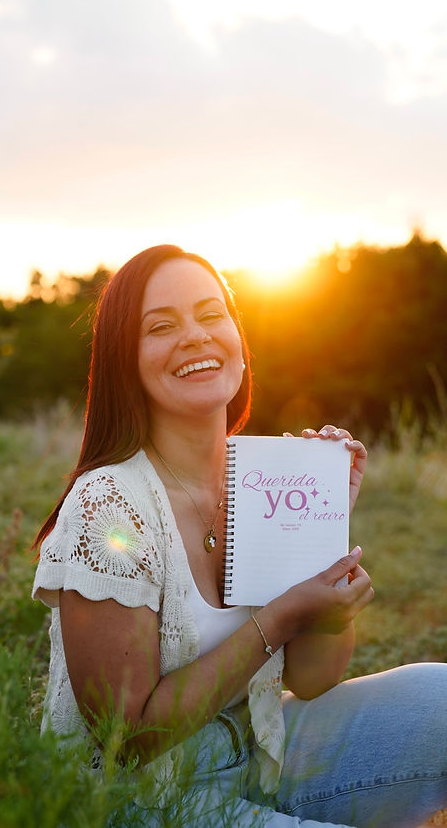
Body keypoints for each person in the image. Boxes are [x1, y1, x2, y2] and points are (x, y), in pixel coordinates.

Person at [32, 244, 446, 828]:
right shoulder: (110, 505)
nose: (196, 337)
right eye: (162, 326)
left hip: (261, 748)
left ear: (238, 342)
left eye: (210, 315)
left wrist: (323, 533)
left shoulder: (267, 478)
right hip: (134, 798)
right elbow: (126, 738)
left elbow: (311, 678)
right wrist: (275, 617)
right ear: (127, 361)